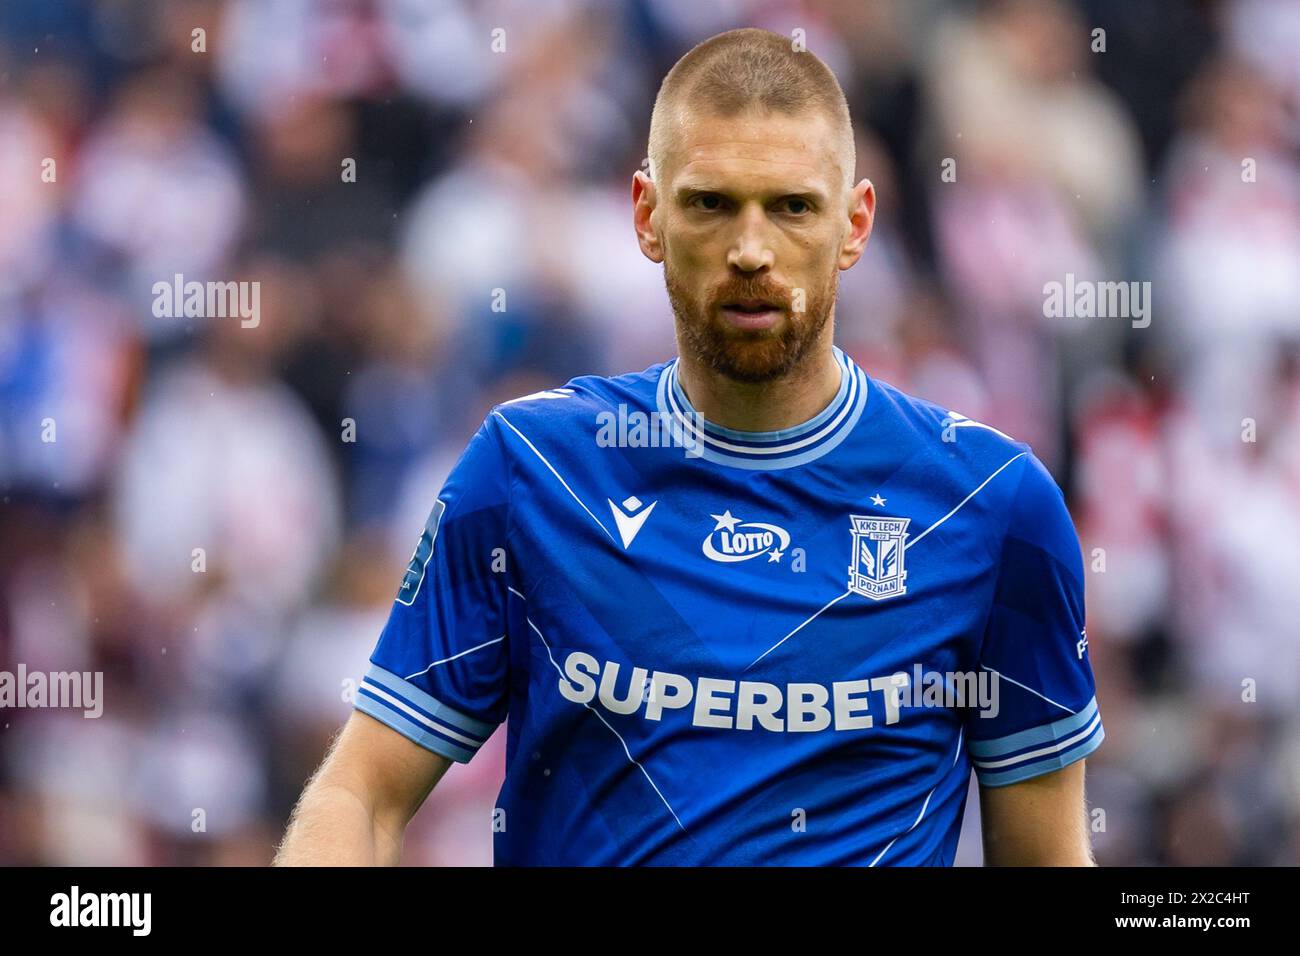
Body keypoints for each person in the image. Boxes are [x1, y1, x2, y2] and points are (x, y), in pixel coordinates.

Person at [275, 27, 1103, 866]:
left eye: (792, 207)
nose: (751, 251)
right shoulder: (532, 471)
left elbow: (1046, 856)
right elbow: (362, 794)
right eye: (711, 203)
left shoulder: (991, 506)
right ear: (648, 214)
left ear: (855, 225)